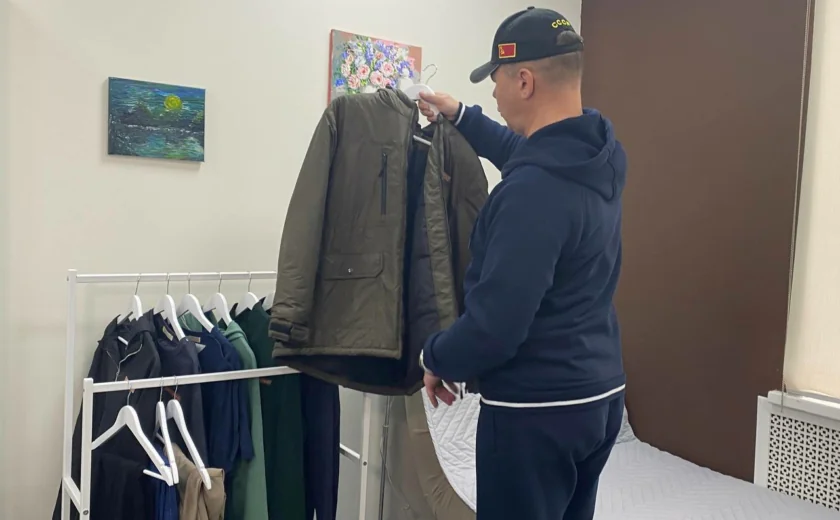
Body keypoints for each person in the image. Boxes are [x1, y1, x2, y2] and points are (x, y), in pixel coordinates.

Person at [416, 7, 627, 520]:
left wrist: (435, 356)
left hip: (536, 415)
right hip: (599, 398)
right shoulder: (600, 155)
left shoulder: (531, 193)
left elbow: (494, 330)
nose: (493, 92)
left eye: (496, 79)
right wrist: (462, 115)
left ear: (525, 81)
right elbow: (527, 153)